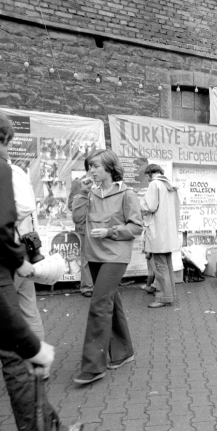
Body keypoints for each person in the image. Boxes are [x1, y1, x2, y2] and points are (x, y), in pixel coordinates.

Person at [0, 111, 75, 431]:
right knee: (18, 357)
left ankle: (53, 427)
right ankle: (43, 430)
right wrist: (19, 260)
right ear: (4, 139)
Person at [71, 149, 142, 385]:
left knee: (99, 304)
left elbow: (136, 227)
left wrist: (111, 231)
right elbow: (78, 219)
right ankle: (124, 352)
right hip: (94, 255)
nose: (92, 170)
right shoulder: (88, 193)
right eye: (90, 166)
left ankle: (93, 367)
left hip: (116, 256)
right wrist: (81, 191)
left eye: (96, 166)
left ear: (109, 168)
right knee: (111, 302)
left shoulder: (126, 194)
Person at [0, 162, 46, 385]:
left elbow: (19, 209)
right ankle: (39, 365)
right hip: (23, 250)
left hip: (8, 253)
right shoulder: (17, 173)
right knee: (28, 308)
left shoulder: (1, 174)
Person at [140, 164, 180, 308]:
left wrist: (139, 202)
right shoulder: (169, 184)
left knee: (159, 265)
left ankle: (163, 297)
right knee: (167, 264)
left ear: (148, 175)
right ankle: (170, 293)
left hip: (157, 230)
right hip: (168, 231)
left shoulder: (154, 184)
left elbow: (150, 206)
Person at [68, 174, 94, 297]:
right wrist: (85, 199)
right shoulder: (77, 182)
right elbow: (71, 205)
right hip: (84, 227)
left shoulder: (100, 179)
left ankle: (96, 284)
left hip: (98, 226)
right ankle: (87, 287)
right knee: (86, 257)